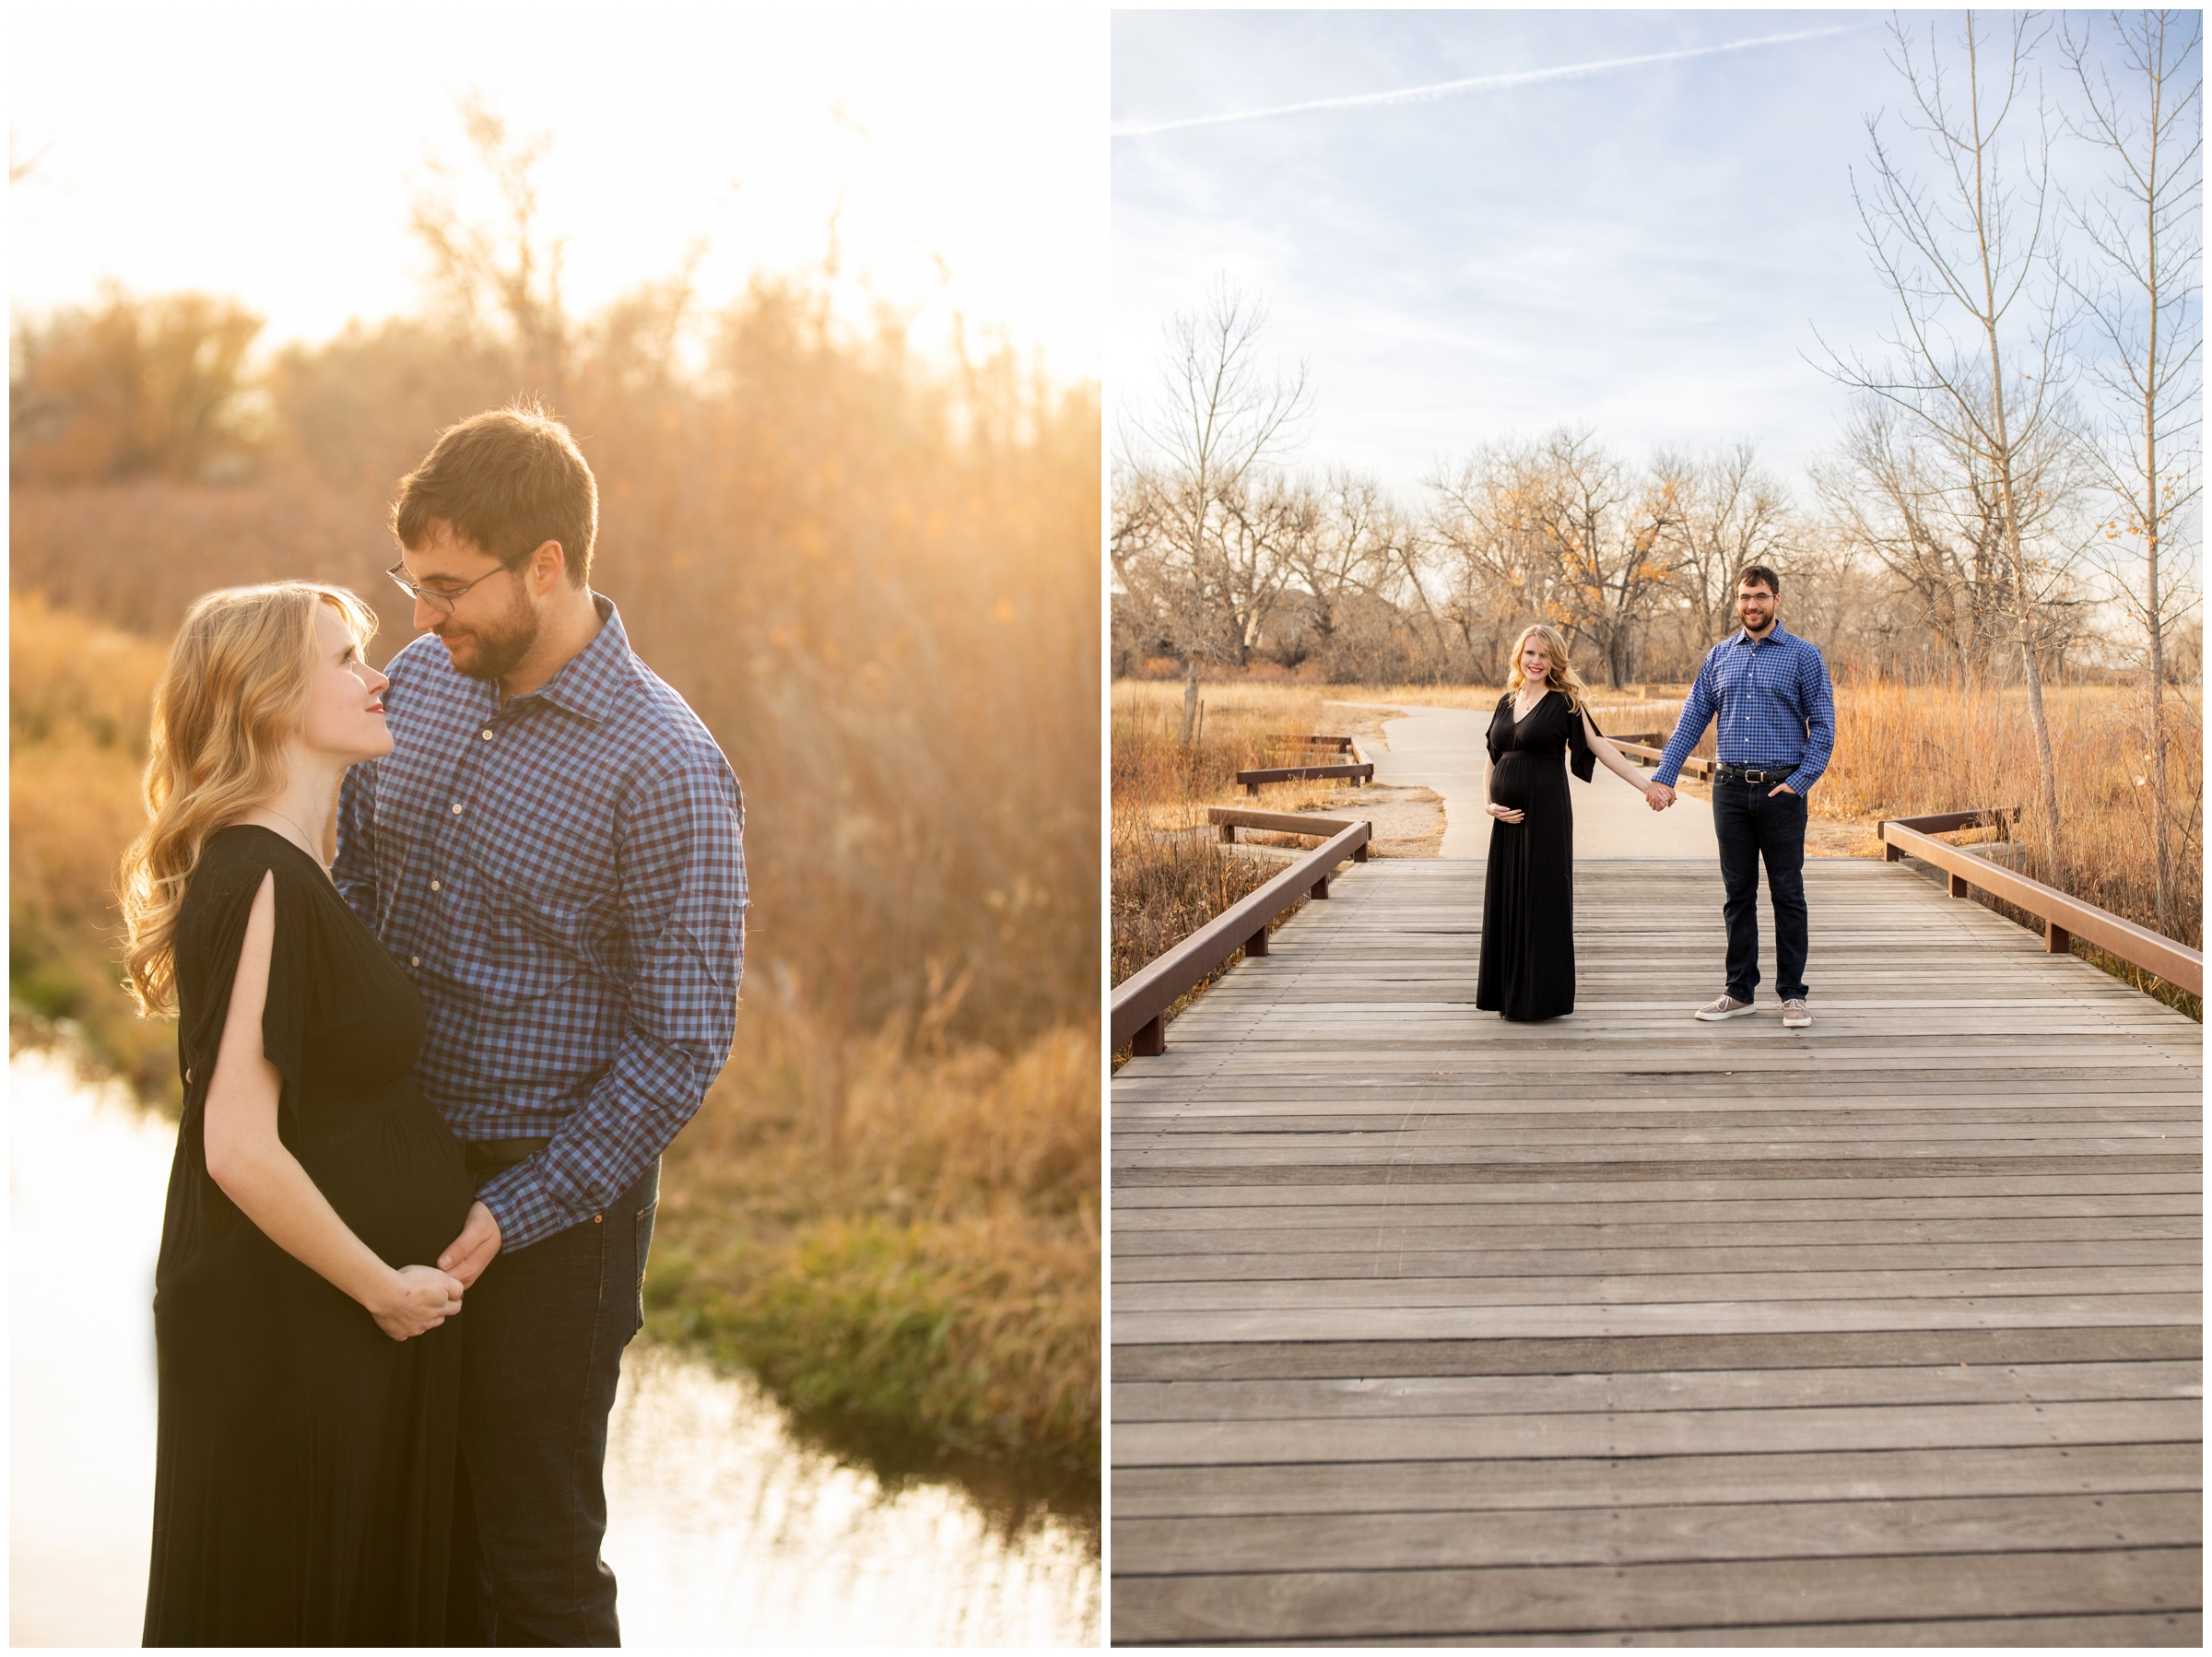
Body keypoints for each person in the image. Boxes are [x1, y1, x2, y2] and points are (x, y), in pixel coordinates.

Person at [335, 405, 746, 1645]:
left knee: (533, 1558)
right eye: (411, 581)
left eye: (449, 587)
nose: (420, 617)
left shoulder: (665, 766)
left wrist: (511, 1211)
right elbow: (349, 889)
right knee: (401, 1533)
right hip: (389, 1168)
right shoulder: (414, 683)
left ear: (551, 566)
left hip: (553, 1215)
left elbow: (680, 1045)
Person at [123, 583, 473, 1645]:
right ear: (271, 699)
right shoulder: (263, 874)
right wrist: (384, 1289)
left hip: (313, 1315)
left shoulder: (284, 865)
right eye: (344, 659)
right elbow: (236, 1144)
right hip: (299, 1321)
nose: (378, 677)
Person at [1647, 564, 1836, 1028]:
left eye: (1761, 596)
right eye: (1745, 597)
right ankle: (1739, 991)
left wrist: (1800, 781)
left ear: (1776, 600)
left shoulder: (1803, 656)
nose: (1752, 605)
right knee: (1738, 894)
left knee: (1788, 893)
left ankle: (1793, 995)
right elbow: (1692, 719)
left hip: (1781, 792)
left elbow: (1824, 728)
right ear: (1737, 601)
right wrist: (1665, 778)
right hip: (1729, 791)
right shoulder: (1718, 657)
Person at [1477, 622, 1663, 1020]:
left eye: (1544, 655)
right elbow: (1492, 757)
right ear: (1519, 656)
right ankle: (1507, 994)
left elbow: (1600, 746)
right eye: (1530, 653)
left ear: (1554, 661)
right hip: (1506, 822)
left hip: (1545, 816)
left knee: (1542, 899)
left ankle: (1540, 999)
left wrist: (1647, 785)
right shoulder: (1505, 702)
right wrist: (1488, 804)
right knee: (1508, 898)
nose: (1536, 661)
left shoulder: (1565, 703)